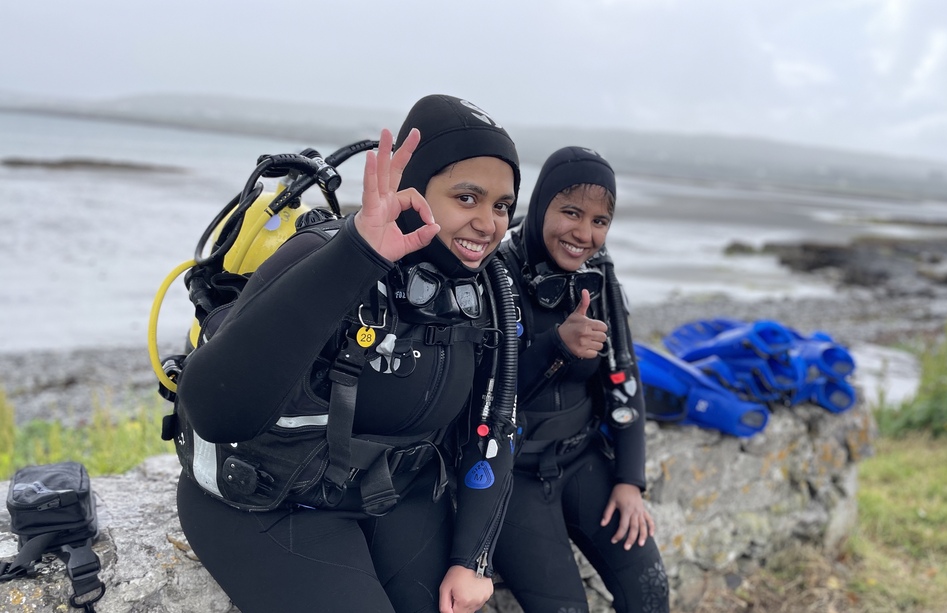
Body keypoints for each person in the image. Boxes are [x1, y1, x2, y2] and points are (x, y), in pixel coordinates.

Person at [172, 94, 521, 613]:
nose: (489, 223)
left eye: (501, 205)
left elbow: (494, 423)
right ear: (413, 188)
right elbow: (215, 409)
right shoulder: (323, 254)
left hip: (392, 492)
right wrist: (358, 254)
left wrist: (474, 558)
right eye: (466, 198)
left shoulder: (484, 294)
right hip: (271, 499)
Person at [494, 146, 669, 612]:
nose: (584, 234)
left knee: (650, 592)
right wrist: (556, 346)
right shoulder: (496, 274)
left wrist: (630, 480)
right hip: (511, 479)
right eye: (571, 212)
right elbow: (483, 395)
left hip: (584, 460)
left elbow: (623, 375)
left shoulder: (598, 275)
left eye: (599, 221)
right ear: (541, 203)